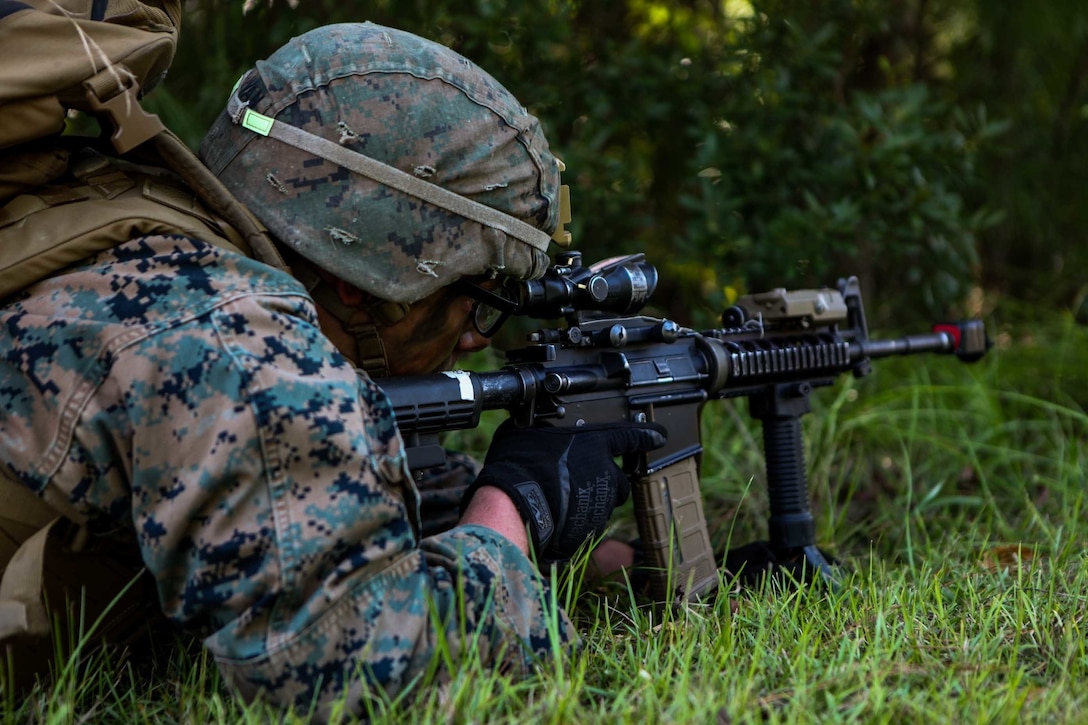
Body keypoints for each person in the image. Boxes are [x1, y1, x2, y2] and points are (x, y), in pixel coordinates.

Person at [0, 21, 665, 716]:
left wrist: (612, 564)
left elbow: (303, 519)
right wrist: (515, 508)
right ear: (362, 282)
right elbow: (362, 667)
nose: (473, 340)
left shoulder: (125, 226)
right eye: (476, 304)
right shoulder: (231, 338)